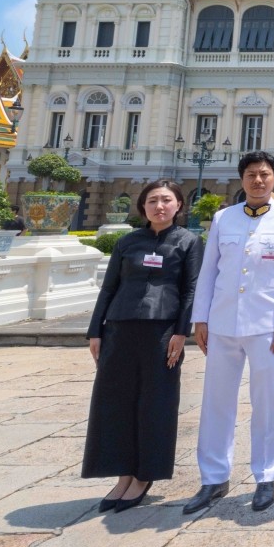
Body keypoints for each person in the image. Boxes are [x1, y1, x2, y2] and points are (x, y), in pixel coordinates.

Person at [182, 151, 274, 515]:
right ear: (242, 179)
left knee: (268, 401)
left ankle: (266, 475)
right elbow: (209, 271)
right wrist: (201, 318)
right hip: (223, 322)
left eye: (265, 175)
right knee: (216, 400)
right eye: (252, 174)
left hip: (267, 324)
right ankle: (213, 476)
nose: (258, 181)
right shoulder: (224, 218)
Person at [83, 180, 202, 512]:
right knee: (114, 402)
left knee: (155, 402)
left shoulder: (189, 241)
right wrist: (96, 330)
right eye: (152, 201)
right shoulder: (128, 241)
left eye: (166, 200)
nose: (159, 206)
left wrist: (182, 332)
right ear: (143, 207)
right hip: (120, 326)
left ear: (179, 205)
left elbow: (191, 289)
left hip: (162, 329)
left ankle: (144, 475)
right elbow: (109, 287)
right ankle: (122, 473)